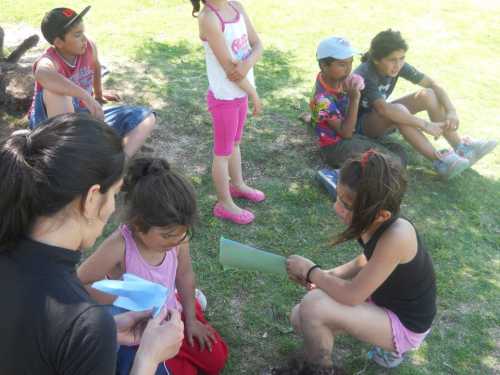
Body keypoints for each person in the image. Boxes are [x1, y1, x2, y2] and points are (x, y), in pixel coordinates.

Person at [0, 113, 183, 375]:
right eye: (115, 194)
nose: (111, 209)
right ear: (92, 198)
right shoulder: (81, 320)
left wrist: (106, 327)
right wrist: (147, 359)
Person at [285, 150, 436, 373]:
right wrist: (330, 275)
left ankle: (321, 371)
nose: (336, 207)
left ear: (382, 215)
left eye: (346, 205)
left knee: (314, 306)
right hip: (381, 302)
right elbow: (365, 260)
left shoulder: (397, 235)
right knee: (300, 318)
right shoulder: (371, 220)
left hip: (405, 323)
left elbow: (352, 295)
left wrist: (312, 272)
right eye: (338, 197)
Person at [78, 157, 229, 375]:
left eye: (183, 233)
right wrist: (125, 297)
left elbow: (184, 273)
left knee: (216, 359)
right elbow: (80, 283)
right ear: (138, 224)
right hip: (136, 328)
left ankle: (189, 300)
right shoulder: (119, 245)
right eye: (167, 235)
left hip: (171, 311)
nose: (176, 240)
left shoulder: (178, 237)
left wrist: (191, 319)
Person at [353, 29, 497, 179]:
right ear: (376, 59)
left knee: (427, 94)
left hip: (379, 118)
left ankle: (461, 147)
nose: (398, 64)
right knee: (398, 111)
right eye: (392, 60)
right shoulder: (365, 74)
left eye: (402, 58)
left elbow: (432, 84)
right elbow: (383, 110)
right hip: (360, 127)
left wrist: (451, 110)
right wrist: (425, 125)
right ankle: (441, 162)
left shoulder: (398, 66)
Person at [28, 6, 156, 157]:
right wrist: (86, 96)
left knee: (146, 117)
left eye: (83, 32)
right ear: (59, 42)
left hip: (84, 116)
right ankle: (68, 153)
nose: (84, 38)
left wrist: (98, 94)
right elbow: (43, 73)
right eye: (77, 35)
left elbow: (95, 66)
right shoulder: (50, 60)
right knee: (57, 93)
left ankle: (121, 161)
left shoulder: (88, 46)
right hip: (50, 125)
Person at [192, 0, 265, 224]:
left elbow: (257, 44)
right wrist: (253, 93)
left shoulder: (235, 5)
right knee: (222, 152)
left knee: (234, 144)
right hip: (224, 98)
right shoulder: (209, 18)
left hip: (240, 92)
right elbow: (229, 69)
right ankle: (224, 204)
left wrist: (246, 63)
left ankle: (238, 185)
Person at [309, 36, 407, 169]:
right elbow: (346, 133)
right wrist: (355, 98)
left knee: (397, 149)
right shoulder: (322, 100)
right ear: (323, 65)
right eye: (342, 64)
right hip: (337, 147)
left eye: (350, 63)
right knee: (394, 162)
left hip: (351, 137)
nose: (348, 69)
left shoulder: (336, 80)